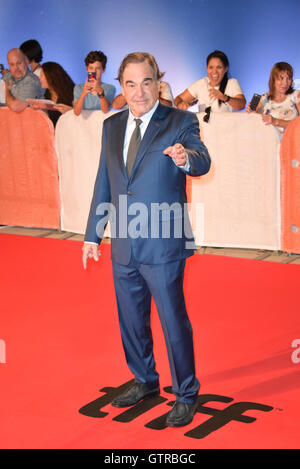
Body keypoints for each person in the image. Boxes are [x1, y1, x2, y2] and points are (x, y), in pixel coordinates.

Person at [82, 52, 211, 428]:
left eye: (147, 82)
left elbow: (203, 161)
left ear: (159, 82)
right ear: (122, 87)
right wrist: (93, 234)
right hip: (123, 241)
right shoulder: (111, 125)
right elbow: (104, 182)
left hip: (163, 241)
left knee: (173, 320)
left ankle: (186, 392)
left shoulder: (180, 121)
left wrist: (186, 158)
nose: (139, 92)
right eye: (131, 84)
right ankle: (144, 379)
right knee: (131, 320)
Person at [174, 50, 246, 121]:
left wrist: (224, 98)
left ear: (226, 68)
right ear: (207, 69)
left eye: (219, 67)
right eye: (211, 67)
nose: (214, 71)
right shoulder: (201, 84)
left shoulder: (232, 83)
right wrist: (180, 104)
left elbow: (241, 105)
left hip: (226, 131)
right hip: (204, 131)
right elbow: (178, 99)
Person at [246, 62, 300, 138]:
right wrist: (252, 114)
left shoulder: (296, 95)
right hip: (267, 144)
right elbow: (253, 125)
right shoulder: (263, 99)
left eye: (289, 78)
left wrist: (276, 121)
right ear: (273, 80)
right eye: (281, 78)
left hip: (292, 143)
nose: (285, 83)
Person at [73, 50, 116, 115]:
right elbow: (76, 112)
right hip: (83, 124)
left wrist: (100, 92)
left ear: (103, 69)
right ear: (87, 69)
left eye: (98, 68)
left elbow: (105, 111)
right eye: (91, 68)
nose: (94, 71)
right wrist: (83, 93)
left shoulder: (110, 88)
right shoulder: (78, 88)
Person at [35, 61, 75, 127]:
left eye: (41, 75)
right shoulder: (46, 94)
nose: (39, 78)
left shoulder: (71, 93)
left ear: (50, 76)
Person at [4, 48, 43, 112]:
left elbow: (15, 107)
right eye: (12, 64)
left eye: (19, 63)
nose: (16, 68)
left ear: (26, 61)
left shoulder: (32, 81)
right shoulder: (8, 76)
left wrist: (7, 90)